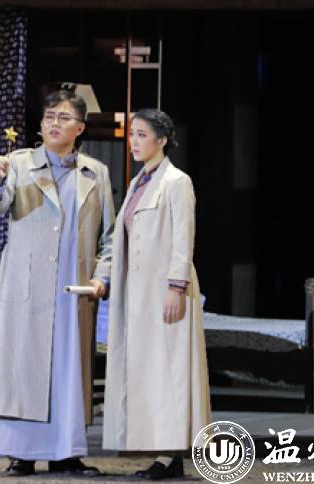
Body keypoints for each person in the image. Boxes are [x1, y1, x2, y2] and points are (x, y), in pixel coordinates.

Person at [0, 90, 115, 476]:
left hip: (73, 289)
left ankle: (66, 453)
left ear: (80, 128)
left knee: (68, 373)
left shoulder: (95, 172)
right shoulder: (19, 163)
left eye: (63, 118)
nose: (54, 123)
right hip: (28, 288)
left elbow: (109, 236)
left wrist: (101, 277)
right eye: (49, 117)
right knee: (24, 370)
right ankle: (21, 454)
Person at [103, 109, 211, 480]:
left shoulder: (176, 182)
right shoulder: (139, 182)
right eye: (132, 134)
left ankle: (170, 455)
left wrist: (176, 288)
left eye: (142, 135)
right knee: (150, 371)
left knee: (171, 370)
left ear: (162, 140)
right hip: (140, 293)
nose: (134, 142)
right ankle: (163, 451)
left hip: (167, 290)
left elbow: (184, 238)